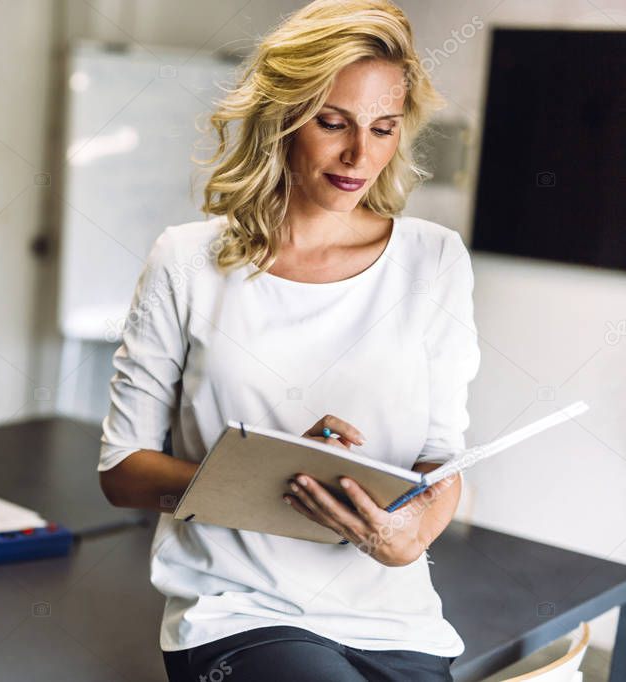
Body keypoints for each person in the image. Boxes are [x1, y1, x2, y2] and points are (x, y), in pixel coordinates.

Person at [97, 1, 482, 680]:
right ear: (282, 119)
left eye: (382, 128)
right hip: (240, 614)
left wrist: (412, 535)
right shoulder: (187, 261)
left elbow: (440, 459)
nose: (359, 154)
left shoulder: (435, 259)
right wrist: (269, 475)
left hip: (398, 618)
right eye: (332, 123)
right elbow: (122, 472)